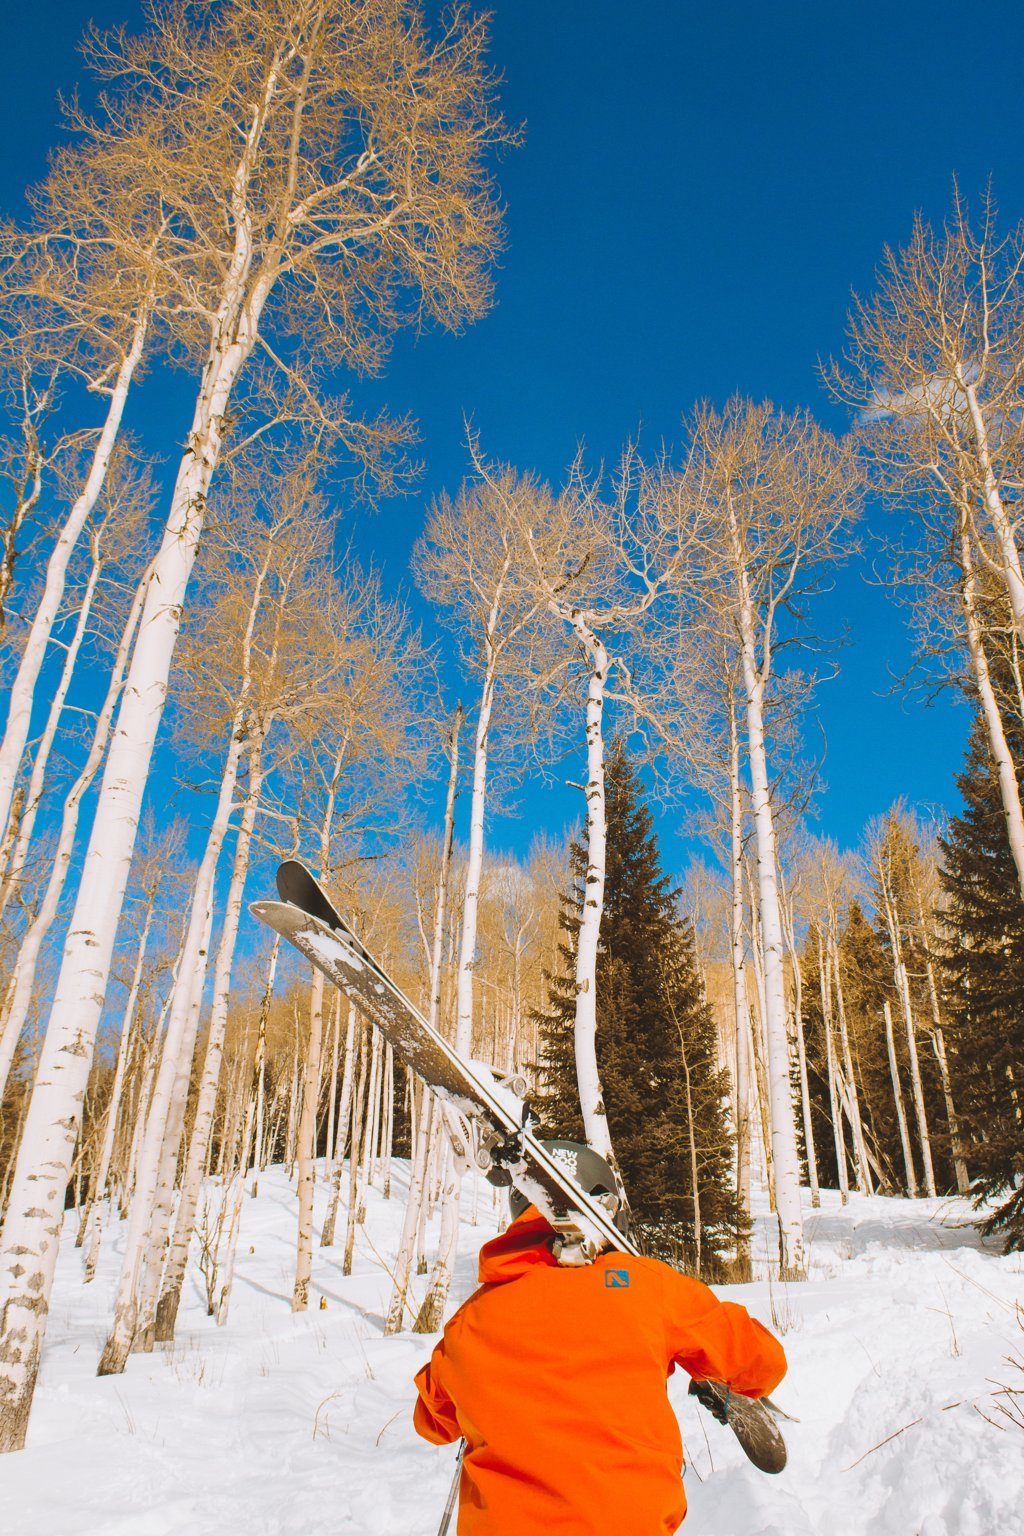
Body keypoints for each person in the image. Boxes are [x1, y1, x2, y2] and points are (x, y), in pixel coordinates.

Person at [413, 1140, 786, 1536]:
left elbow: (432, 1422)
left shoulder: (469, 1320)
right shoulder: (646, 1287)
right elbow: (762, 1362)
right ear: (609, 1207)